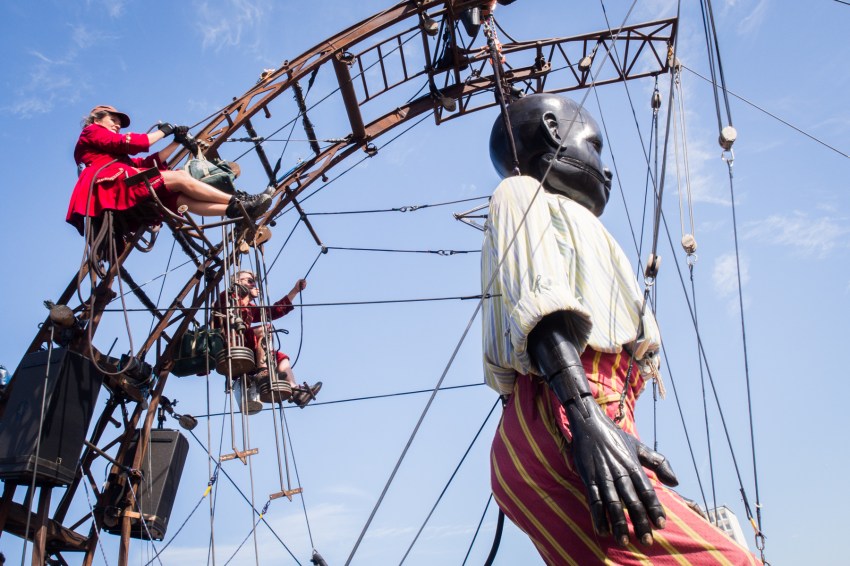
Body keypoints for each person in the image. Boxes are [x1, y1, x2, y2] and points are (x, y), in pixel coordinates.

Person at [483, 94, 759, 564]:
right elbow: (540, 299)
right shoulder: (521, 193)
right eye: (595, 146)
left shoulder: (571, 219)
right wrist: (585, 417)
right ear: (553, 130)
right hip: (562, 408)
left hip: (576, 411)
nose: (605, 169)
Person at [66, 104, 271, 236]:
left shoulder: (114, 156)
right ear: (96, 119)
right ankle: (240, 202)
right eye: (113, 121)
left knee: (180, 201)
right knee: (180, 178)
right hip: (111, 184)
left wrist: (176, 142)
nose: (118, 126)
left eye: (119, 124)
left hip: (123, 180)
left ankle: (235, 210)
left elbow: (145, 163)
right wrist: (163, 132)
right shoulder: (91, 132)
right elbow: (135, 143)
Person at [216, 270, 321, 407]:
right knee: (264, 329)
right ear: (237, 282)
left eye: (254, 282)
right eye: (249, 281)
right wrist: (245, 294)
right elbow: (230, 306)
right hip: (231, 345)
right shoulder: (227, 297)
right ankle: (262, 372)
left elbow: (272, 311)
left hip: (248, 349)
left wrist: (294, 291)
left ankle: (295, 390)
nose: (254, 284)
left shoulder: (250, 307)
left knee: (281, 358)